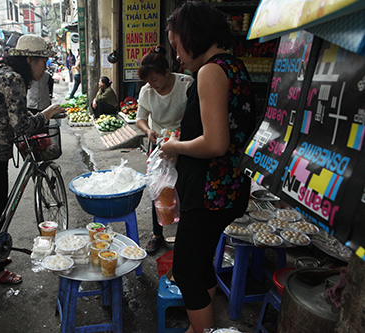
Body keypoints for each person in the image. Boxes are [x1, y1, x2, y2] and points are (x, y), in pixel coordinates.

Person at [160, 2, 256, 332]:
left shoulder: (211, 71)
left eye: (177, 46)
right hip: (224, 189)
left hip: (210, 191)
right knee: (200, 262)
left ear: (192, 35)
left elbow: (215, 142)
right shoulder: (234, 67)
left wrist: (174, 146)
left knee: (186, 268)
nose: (177, 57)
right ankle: (201, 326)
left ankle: (200, 330)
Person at [0, 34, 64, 285]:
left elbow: (11, 110)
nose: (45, 67)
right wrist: (47, 114)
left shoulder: (4, 74)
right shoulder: (14, 78)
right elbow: (22, 126)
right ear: (29, 59)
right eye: (42, 61)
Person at [136, 45, 194, 255]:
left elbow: (194, 117)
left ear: (167, 72)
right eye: (148, 81)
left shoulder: (186, 84)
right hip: (159, 143)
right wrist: (149, 131)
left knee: (184, 188)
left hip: (184, 142)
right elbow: (140, 119)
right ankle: (157, 234)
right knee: (159, 188)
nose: (151, 85)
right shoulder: (147, 91)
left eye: (154, 79)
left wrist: (179, 143)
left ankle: (186, 235)